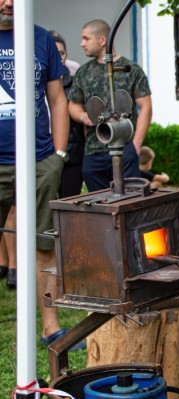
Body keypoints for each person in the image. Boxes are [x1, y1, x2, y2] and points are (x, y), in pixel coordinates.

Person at [0, 0, 85, 349]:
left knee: (44, 246)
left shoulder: (39, 38)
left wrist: (59, 154)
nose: (8, 2)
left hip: (38, 161)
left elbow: (57, 98)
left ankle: (51, 327)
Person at [68, 19, 152, 192]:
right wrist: (83, 116)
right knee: (100, 206)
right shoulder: (83, 72)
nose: (82, 44)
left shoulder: (131, 69)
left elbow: (146, 107)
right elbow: (73, 105)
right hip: (93, 151)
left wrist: (136, 143)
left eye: (86, 38)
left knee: (130, 201)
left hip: (124, 147)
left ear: (102, 40)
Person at [49, 30, 85, 198]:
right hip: (42, 156)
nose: (58, 57)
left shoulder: (76, 84)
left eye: (62, 53)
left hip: (72, 157)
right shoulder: (33, 85)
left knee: (69, 204)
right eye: (53, 52)